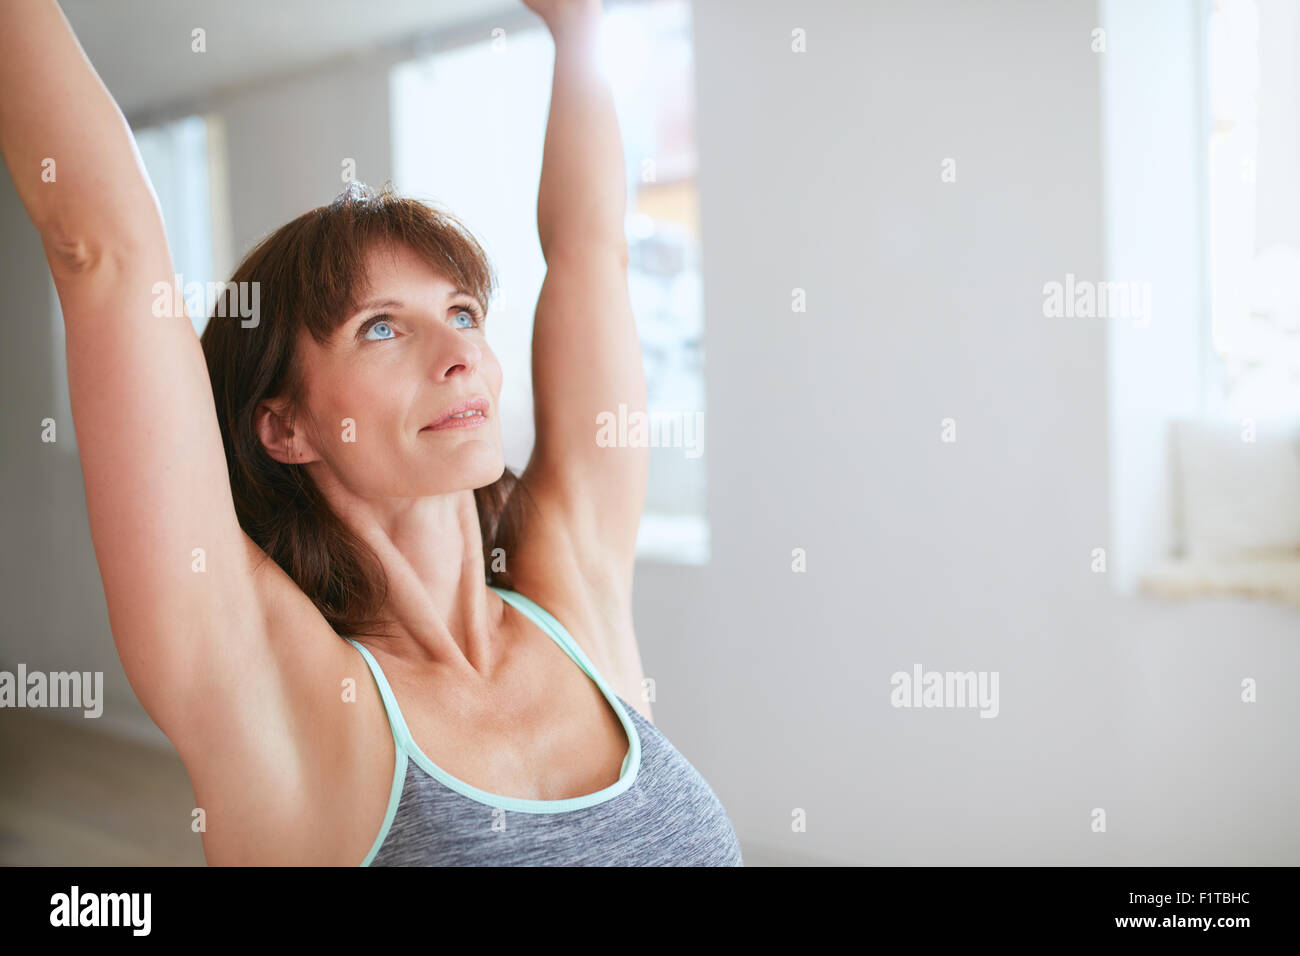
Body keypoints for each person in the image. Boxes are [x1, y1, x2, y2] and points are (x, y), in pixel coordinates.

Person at [0, 0, 743, 865]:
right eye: (382, 328)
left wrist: (577, 26)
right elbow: (103, 256)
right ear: (284, 427)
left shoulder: (571, 591)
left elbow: (588, 250)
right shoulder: (271, 687)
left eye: (462, 312)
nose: (460, 352)